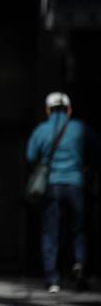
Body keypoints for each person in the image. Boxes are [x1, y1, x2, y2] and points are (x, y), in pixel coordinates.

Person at [26, 92, 99, 293]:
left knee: (50, 232)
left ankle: (52, 279)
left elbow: (30, 155)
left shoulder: (41, 130)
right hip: (76, 184)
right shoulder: (80, 128)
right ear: (69, 110)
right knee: (79, 230)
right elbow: (96, 152)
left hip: (51, 185)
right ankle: (79, 265)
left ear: (47, 110)